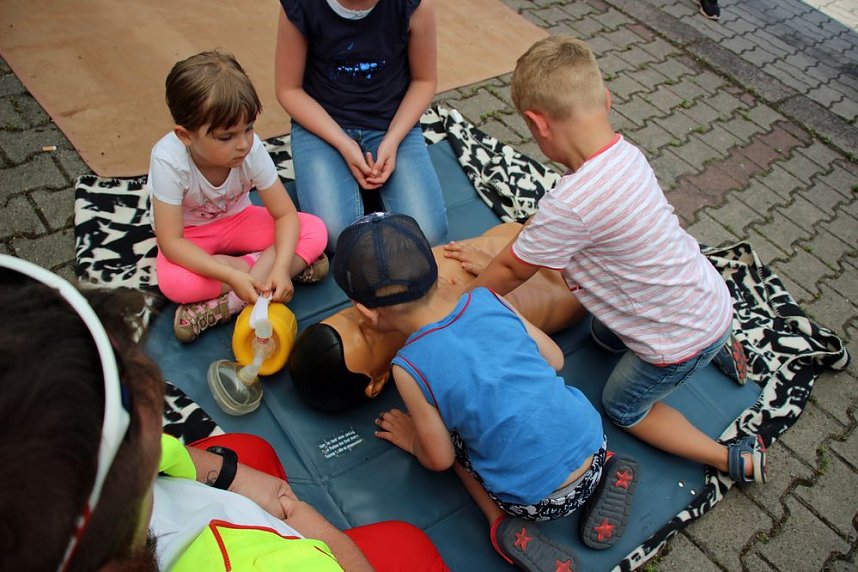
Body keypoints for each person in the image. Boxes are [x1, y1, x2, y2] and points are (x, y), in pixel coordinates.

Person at [0, 253, 449, 571]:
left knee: (248, 450)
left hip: (206, 514)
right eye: (144, 418)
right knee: (405, 544)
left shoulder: (57, 485)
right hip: (259, 540)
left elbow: (163, 453)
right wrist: (313, 527)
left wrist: (228, 475)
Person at [456, 36, 766, 486]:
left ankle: (732, 458)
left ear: (536, 123)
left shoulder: (571, 204)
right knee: (603, 335)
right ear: (606, 99)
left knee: (623, 407)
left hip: (676, 340)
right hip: (706, 296)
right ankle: (715, 342)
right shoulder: (627, 155)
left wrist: (463, 302)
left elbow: (510, 270)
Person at [329, 213, 639, 572]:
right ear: (437, 269)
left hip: (535, 502)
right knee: (542, 398)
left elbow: (440, 459)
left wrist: (413, 438)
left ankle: (503, 525)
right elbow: (554, 360)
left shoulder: (408, 367)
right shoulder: (487, 299)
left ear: (366, 313)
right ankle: (606, 469)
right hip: (594, 443)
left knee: (456, 442)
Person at [289, 221, 587, 412]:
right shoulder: (439, 351)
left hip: (527, 237)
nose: (366, 316)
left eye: (351, 314)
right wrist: (497, 272)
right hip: (570, 284)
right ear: (376, 383)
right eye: (367, 335)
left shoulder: (390, 289)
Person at [147, 50, 329, 344]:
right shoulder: (168, 160)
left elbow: (284, 214)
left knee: (314, 229)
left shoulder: (251, 149)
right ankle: (260, 279)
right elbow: (171, 242)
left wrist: (281, 268)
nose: (243, 144)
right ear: (185, 135)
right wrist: (232, 275)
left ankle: (228, 303)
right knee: (174, 282)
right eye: (226, 136)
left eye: (249, 128)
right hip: (192, 235)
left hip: (239, 220)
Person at [274, 0, 448, 253]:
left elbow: (424, 81)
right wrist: (344, 144)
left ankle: (373, 193)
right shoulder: (302, 5)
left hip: (390, 122)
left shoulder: (417, 6)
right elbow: (289, 90)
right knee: (335, 238)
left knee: (428, 236)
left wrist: (393, 139)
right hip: (322, 126)